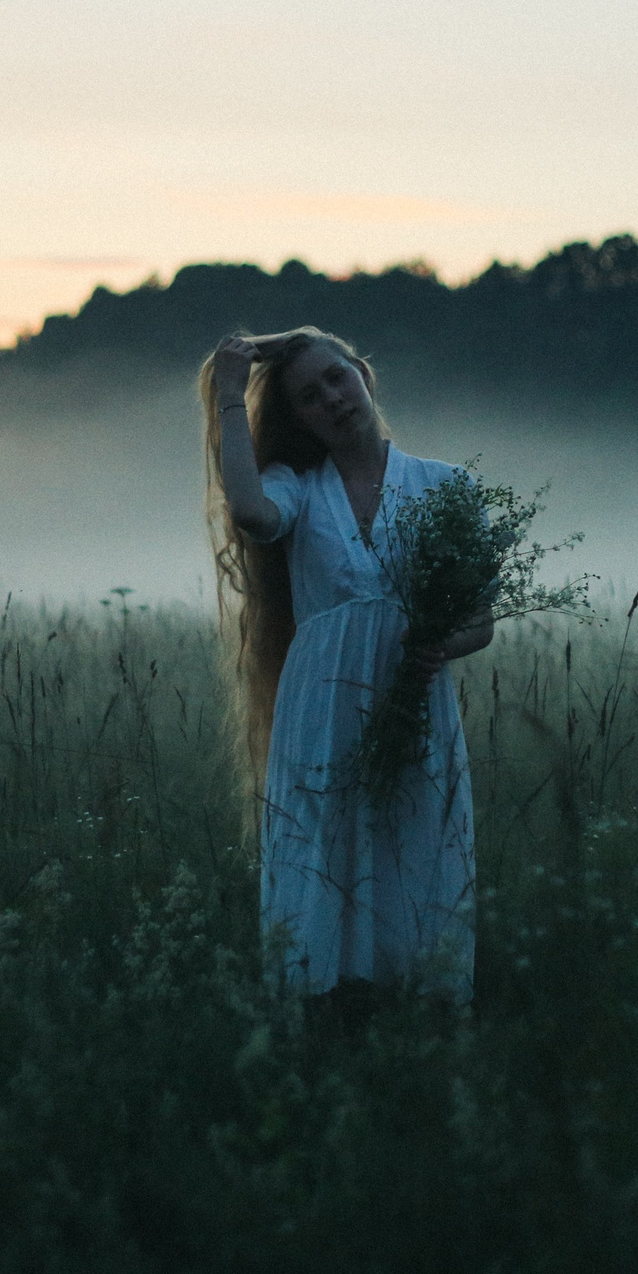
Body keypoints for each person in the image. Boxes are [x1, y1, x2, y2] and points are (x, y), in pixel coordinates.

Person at [201, 327, 492, 1008]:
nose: (330, 399)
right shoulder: (297, 488)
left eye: (336, 378)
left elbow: (479, 621)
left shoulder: (446, 485)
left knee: (414, 848)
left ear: (362, 373)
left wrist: (439, 645)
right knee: (322, 855)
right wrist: (228, 396)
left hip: (411, 706)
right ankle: (322, 1014)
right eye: (309, 396)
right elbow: (250, 512)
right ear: (300, 419)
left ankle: (416, 1014)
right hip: (320, 712)